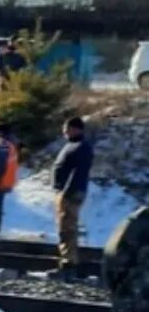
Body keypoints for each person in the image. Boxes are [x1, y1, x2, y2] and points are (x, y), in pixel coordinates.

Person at [53, 116, 94, 277]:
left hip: (71, 193)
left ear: (76, 129)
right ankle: (68, 259)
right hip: (66, 191)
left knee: (67, 228)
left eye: (67, 129)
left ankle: (68, 263)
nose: (64, 132)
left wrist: (66, 191)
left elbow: (78, 172)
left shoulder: (82, 147)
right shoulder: (74, 145)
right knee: (65, 227)